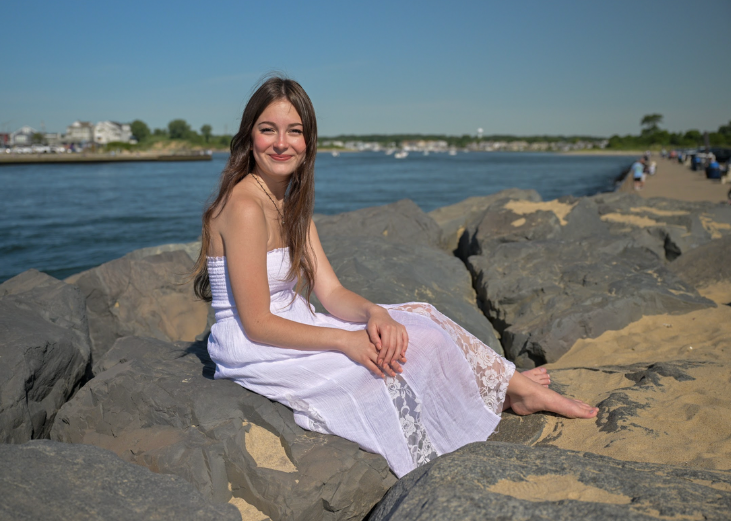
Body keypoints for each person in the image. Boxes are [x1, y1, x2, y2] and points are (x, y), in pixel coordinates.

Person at [191, 76, 598, 478]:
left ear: (308, 141)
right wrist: (345, 340)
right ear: (249, 136)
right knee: (381, 370)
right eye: (268, 130)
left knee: (415, 323)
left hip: (293, 324)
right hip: (254, 342)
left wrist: (373, 314)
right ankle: (506, 393)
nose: (282, 143)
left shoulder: (289, 203)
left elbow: (329, 292)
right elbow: (257, 323)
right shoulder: (244, 206)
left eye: (294, 131)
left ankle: (503, 387)